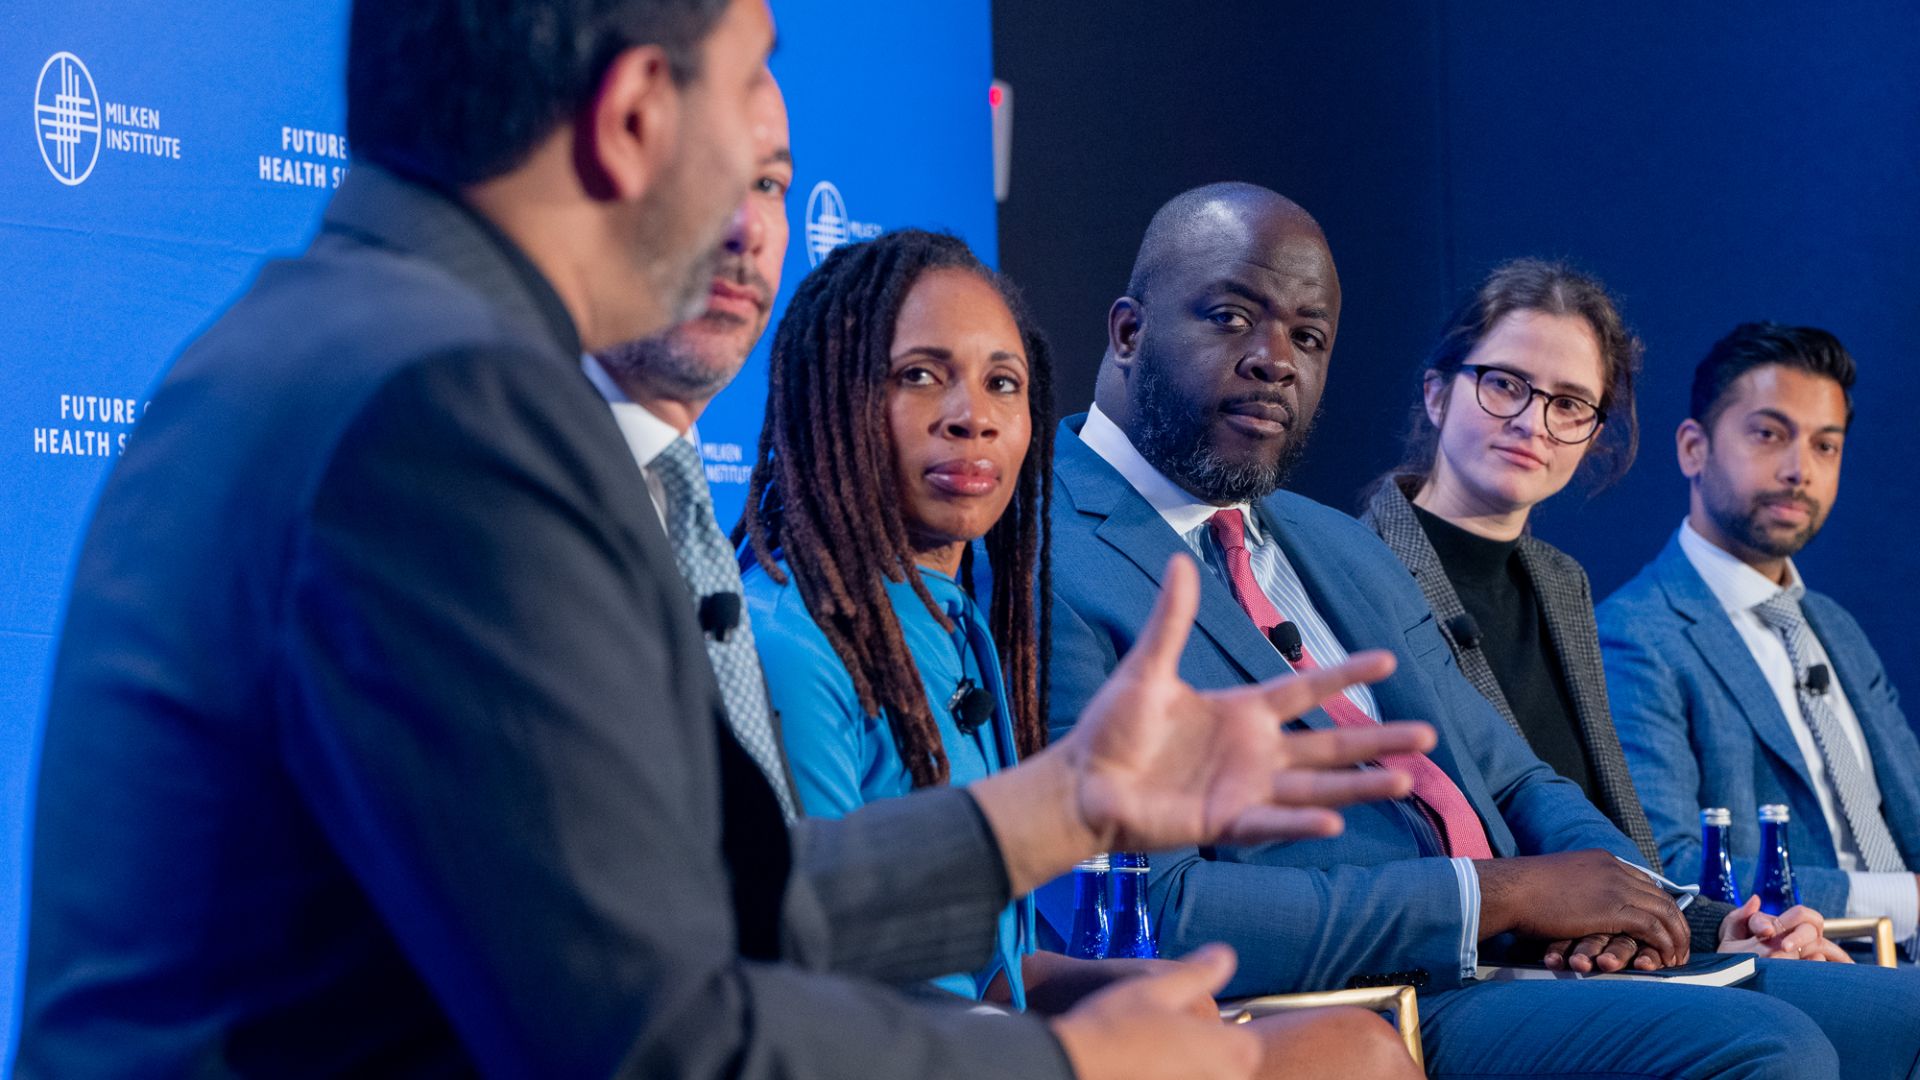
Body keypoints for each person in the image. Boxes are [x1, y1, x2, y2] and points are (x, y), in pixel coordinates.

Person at [16, 5, 1432, 1077]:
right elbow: (661, 1044)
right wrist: (1074, 1064)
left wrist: (1065, 803)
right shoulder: (446, 409)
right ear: (634, 115)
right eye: (753, 77)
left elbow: (664, 919)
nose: (769, 150)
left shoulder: (338, 345)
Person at [1044, 181, 1880, 1078]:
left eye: (1309, 337)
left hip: (1525, 962)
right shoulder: (1040, 555)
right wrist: (1496, 896)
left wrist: (1655, 913)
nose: (1274, 360)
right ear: (1129, 333)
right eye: (1232, 316)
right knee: (1772, 1049)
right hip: (1367, 1003)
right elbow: (1148, 910)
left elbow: (1512, 775)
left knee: (1899, 1012)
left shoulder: (1330, 541)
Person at [733, 227, 1422, 1079]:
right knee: (1351, 1058)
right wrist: (1079, 1048)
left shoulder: (961, 621)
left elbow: (988, 969)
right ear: (826, 396)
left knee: (1308, 1033)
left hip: (978, 1040)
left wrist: (1117, 987)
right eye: (919, 375)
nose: (972, 417)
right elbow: (820, 970)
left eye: (1003, 383)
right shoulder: (789, 643)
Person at [1358, 262, 1920, 1074]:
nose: (1534, 422)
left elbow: (1619, 839)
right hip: (1487, 966)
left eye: (1569, 404)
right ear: (1438, 393)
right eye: (1505, 385)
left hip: (1630, 949)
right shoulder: (1355, 568)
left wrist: (1720, 923)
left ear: (1593, 432)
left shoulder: (1560, 581)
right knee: (1781, 1048)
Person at [1600, 322, 1920, 961]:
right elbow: (1673, 871)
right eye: (1769, 434)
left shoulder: (1834, 627)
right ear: (1693, 448)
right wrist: (1904, 901)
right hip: (1803, 967)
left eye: (1826, 446)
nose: (1800, 470)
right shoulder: (1634, 634)